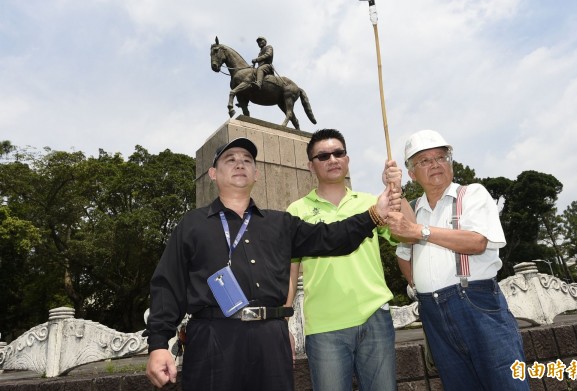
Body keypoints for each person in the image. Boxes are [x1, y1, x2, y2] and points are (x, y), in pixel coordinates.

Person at [144, 137, 400, 391]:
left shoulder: (281, 223)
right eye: (230, 160)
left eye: (247, 160)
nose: (239, 164)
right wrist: (157, 344)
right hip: (213, 338)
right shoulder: (192, 224)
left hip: (271, 339)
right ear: (213, 173)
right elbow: (168, 284)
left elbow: (331, 237)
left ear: (257, 174)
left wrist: (374, 214)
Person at [387, 129, 529, 391]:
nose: (435, 165)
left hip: (476, 302)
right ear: (412, 173)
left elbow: (477, 242)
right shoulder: (416, 207)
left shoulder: (472, 194)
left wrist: (421, 231)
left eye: (441, 157)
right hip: (432, 312)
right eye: (424, 161)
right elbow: (403, 253)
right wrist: (416, 286)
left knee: (506, 382)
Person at [286, 129, 415, 391]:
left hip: (375, 318)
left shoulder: (371, 203)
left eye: (338, 153)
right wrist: (282, 323)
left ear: (347, 159)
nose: (332, 159)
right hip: (324, 326)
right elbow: (289, 274)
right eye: (323, 156)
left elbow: (410, 234)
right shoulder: (295, 211)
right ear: (311, 165)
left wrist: (396, 191)